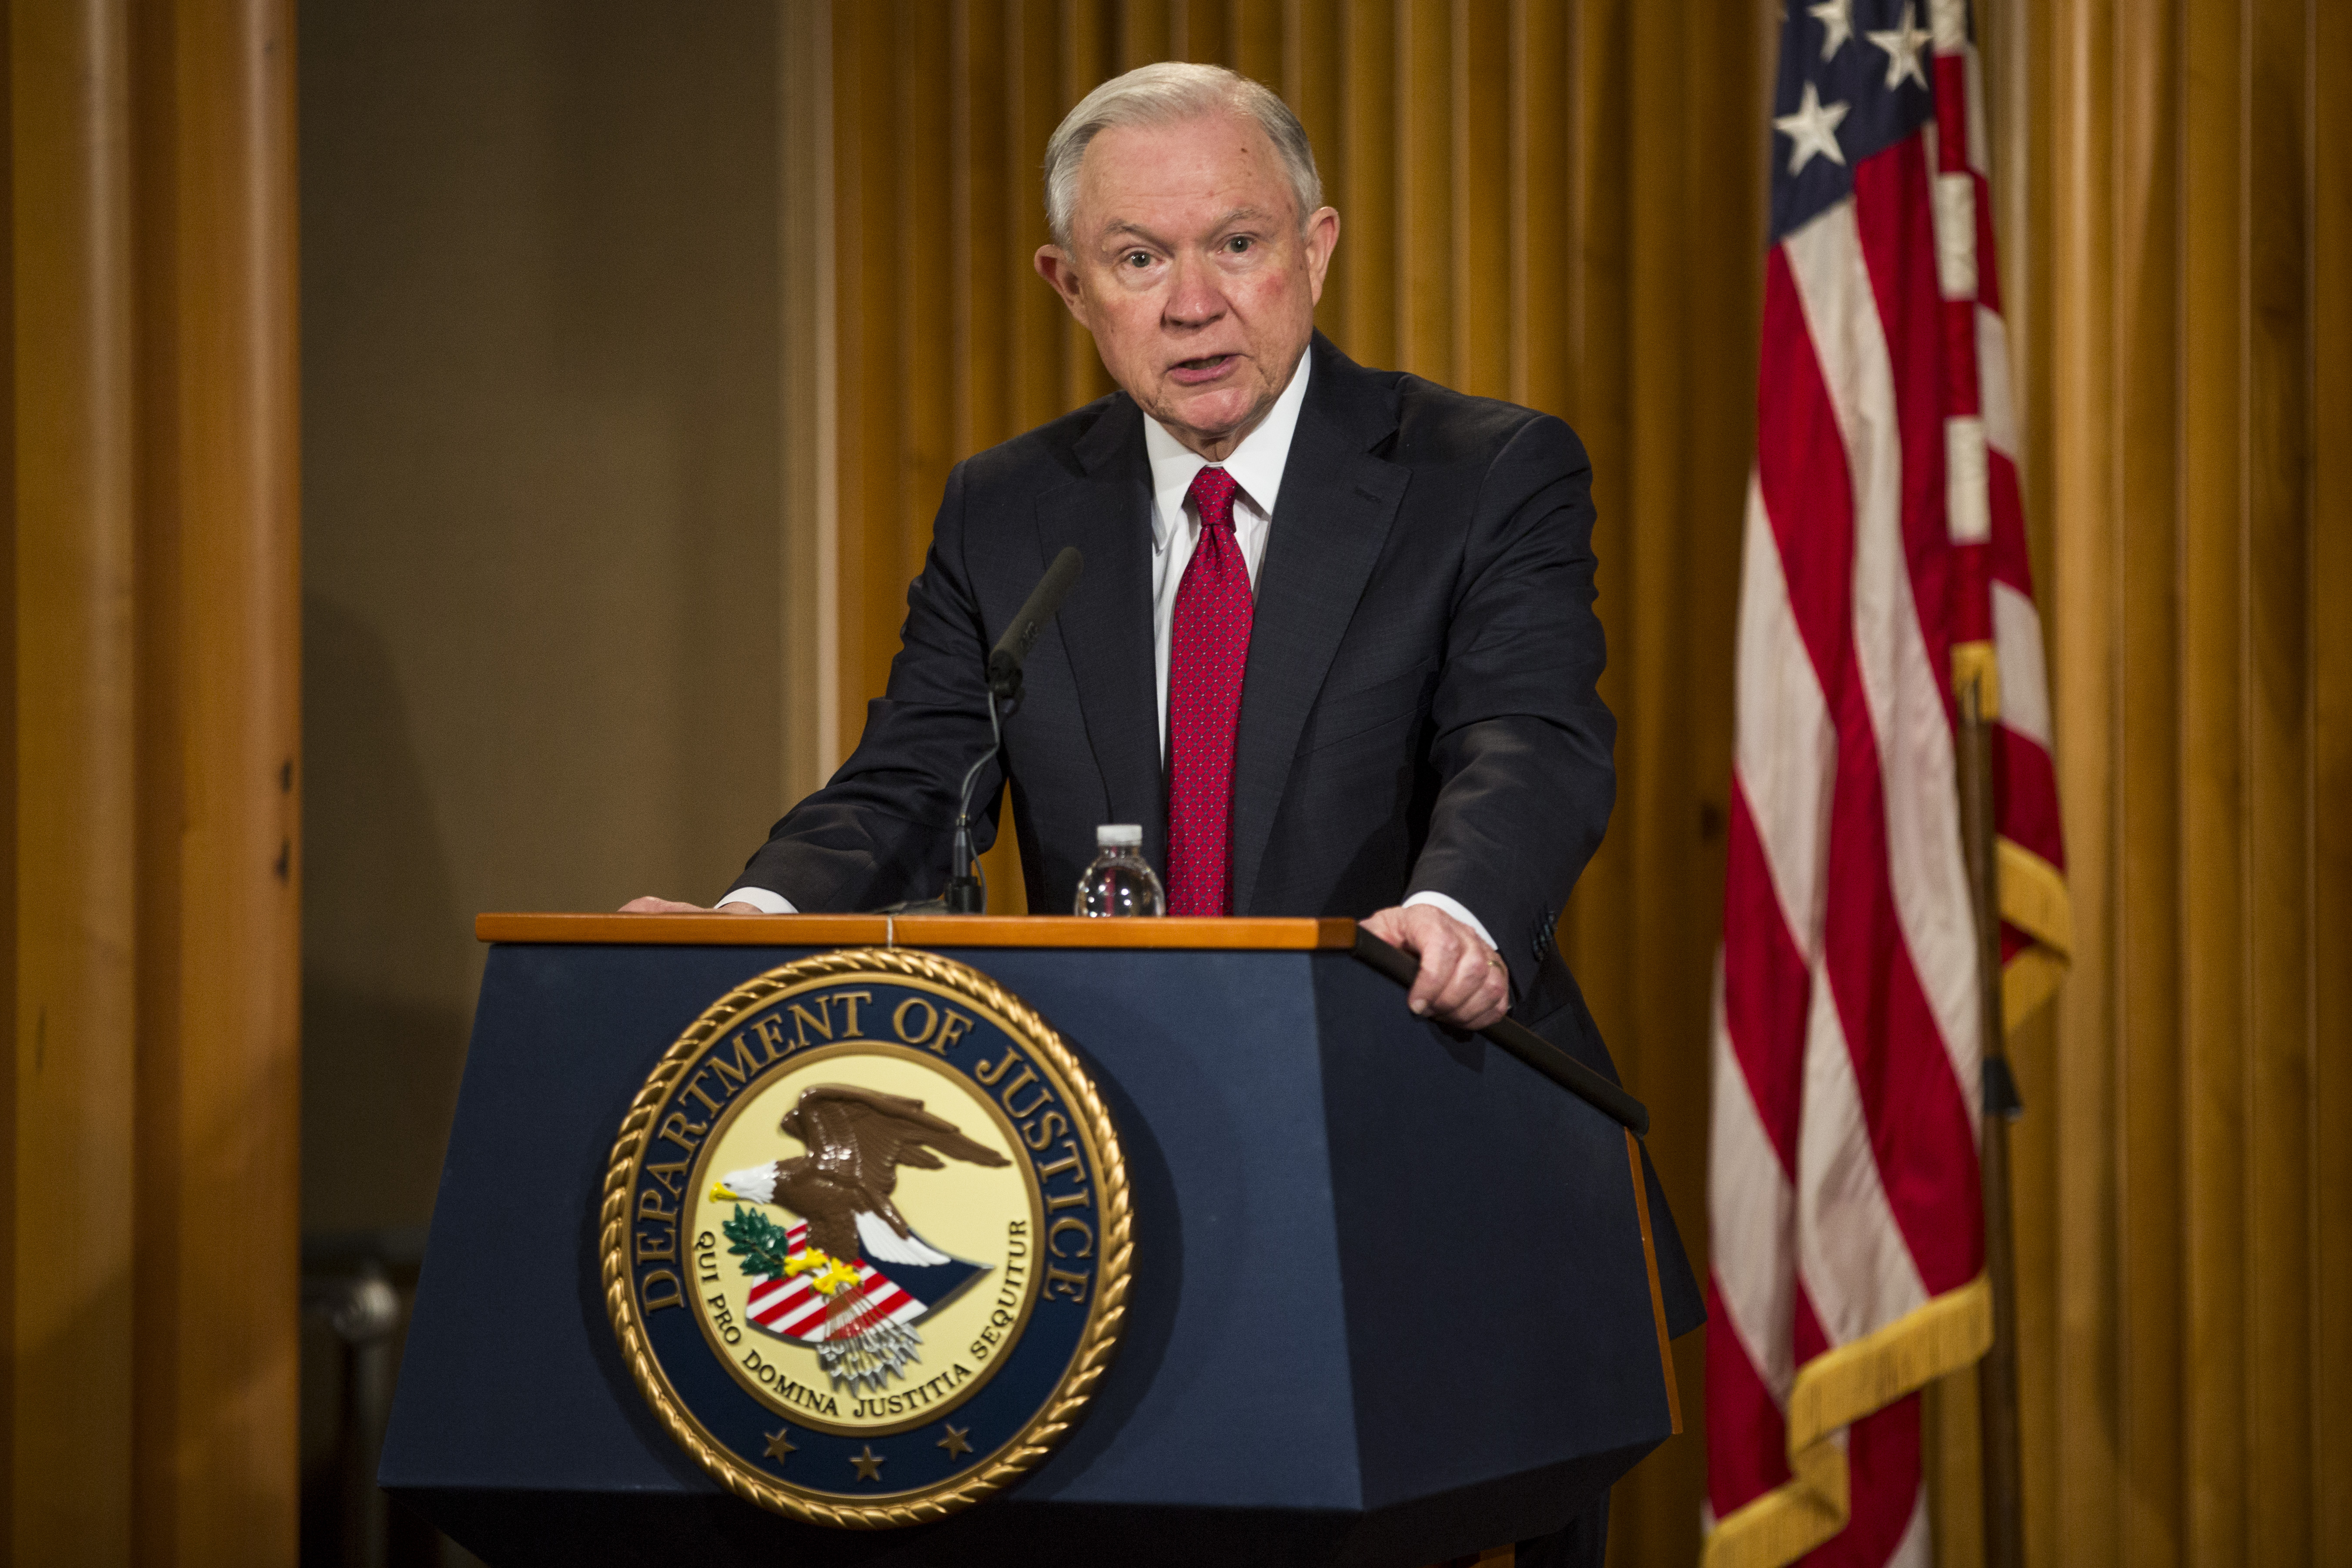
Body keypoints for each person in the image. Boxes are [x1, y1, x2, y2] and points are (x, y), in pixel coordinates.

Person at [625, 65, 1695, 1562]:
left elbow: (1529, 739)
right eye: (1140, 258)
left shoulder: (1482, 472)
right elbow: (913, 775)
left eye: (1237, 245)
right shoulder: (1010, 510)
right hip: (1110, 1189)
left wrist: (1455, 914)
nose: (1195, 303)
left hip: (1426, 1159)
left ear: (1317, 249)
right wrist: (747, 929)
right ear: (1075, 287)